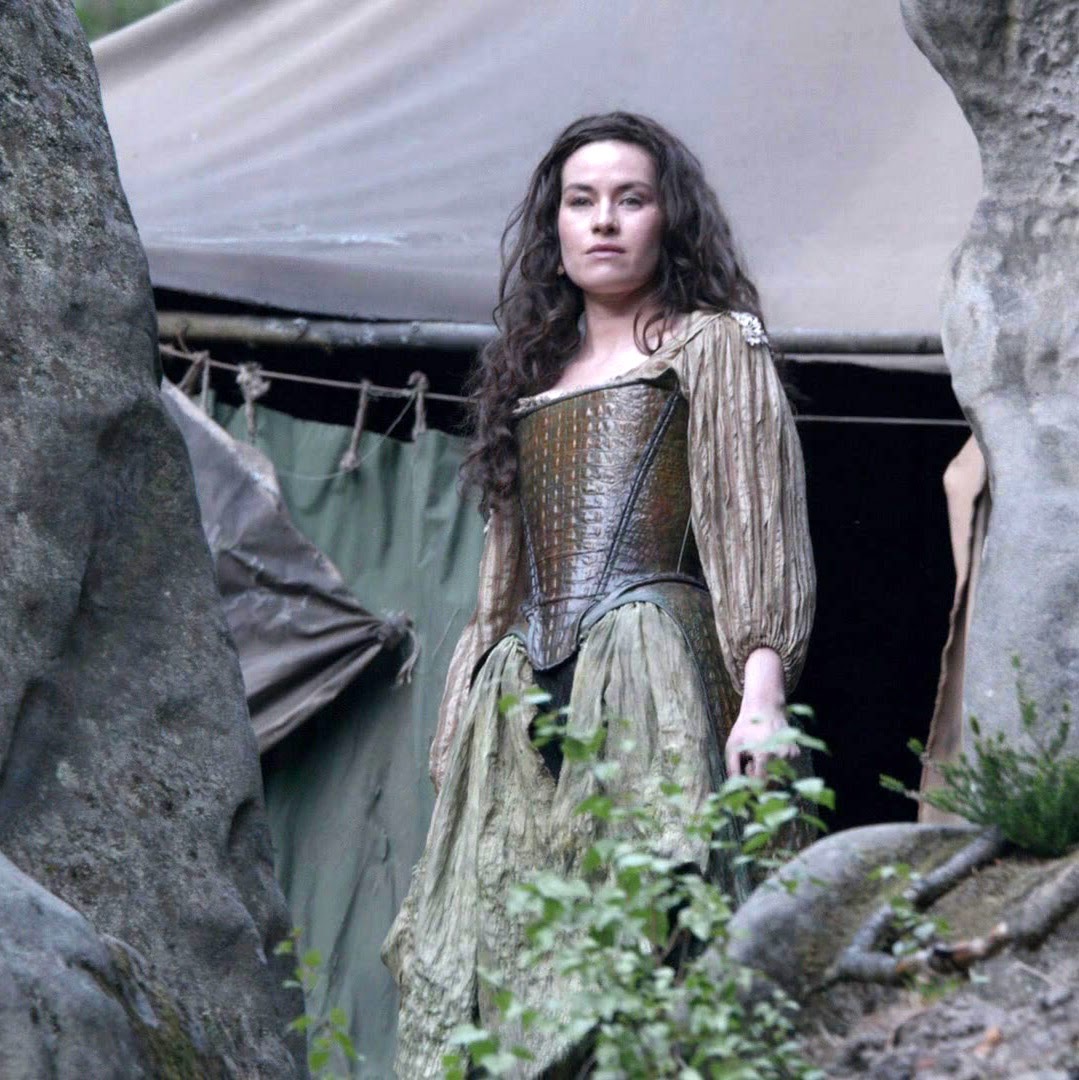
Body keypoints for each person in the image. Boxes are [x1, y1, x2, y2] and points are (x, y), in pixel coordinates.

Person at [382, 112, 815, 1077]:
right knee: (502, 945)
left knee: (659, 926)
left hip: (648, 667)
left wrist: (762, 698)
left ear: (669, 218)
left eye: (631, 199)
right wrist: (462, 713)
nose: (605, 221)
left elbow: (756, 527)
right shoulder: (528, 375)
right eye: (582, 201)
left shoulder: (711, 345)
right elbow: (502, 575)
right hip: (522, 688)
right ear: (556, 225)